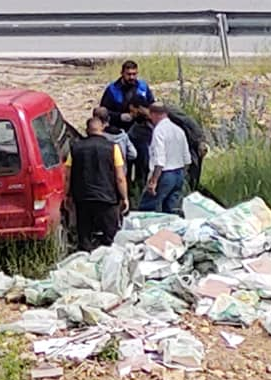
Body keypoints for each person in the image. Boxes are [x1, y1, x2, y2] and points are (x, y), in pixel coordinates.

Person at [64, 117, 129, 251]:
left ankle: (86, 261)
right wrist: (124, 197)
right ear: (102, 129)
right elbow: (120, 177)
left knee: (85, 237)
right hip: (107, 199)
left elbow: (67, 175)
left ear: (87, 130)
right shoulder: (113, 148)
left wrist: (67, 195)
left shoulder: (75, 148)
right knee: (110, 238)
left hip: (83, 198)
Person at [139, 102, 190, 215]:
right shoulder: (178, 130)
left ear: (153, 114)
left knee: (147, 207)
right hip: (179, 173)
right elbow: (187, 158)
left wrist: (153, 181)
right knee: (172, 210)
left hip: (165, 174)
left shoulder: (159, 131)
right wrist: (183, 175)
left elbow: (159, 159)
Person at [99, 60, 155, 132]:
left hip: (141, 128)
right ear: (122, 73)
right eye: (128, 74)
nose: (131, 77)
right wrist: (120, 117)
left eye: (134, 74)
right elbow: (104, 112)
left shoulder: (143, 86)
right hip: (118, 128)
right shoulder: (112, 89)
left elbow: (152, 105)